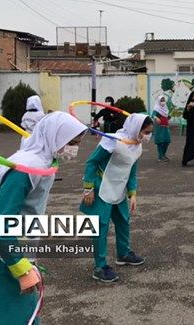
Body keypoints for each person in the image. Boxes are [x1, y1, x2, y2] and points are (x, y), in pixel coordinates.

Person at [0, 112, 87, 324]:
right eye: (71, 142)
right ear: (54, 136)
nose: (74, 148)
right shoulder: (27, 166)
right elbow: (1, 223)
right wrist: (20, 266)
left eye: (76, 143)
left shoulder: (43, 161)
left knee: (7, 306)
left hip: (6, 241)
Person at [80, 113, 152, 283]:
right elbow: (91, 162)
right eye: (147, 132)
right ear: (137, 129)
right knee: (101, 227)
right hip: (102, 188)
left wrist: (132, 193)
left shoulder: (137, 146)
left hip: (119, 189)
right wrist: (88, 188)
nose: (148, 136)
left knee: (123, 221)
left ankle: (124, 253)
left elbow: (132, 170)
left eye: (150, 132)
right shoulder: (113, 140)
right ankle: (100, 266)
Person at [151, 94, 171, 162]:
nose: (163, 101)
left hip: (166, 127)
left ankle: (163, 154)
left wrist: (168, 117)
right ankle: (160, 156)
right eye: (161, 100)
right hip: (159, 128)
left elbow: (167, 115)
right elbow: (153, 115)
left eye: (163, 100)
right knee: (160, 142)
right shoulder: (156, 109)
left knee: (167, 141)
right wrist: (156, 118)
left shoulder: (166, 108)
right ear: (158, 101)